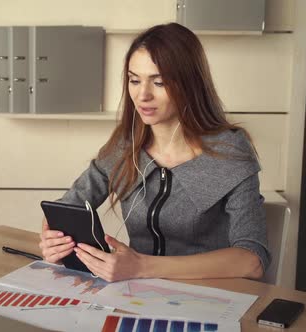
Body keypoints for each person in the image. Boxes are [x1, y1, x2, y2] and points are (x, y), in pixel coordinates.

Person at [38, 23, 270, 283]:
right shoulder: (124, 146)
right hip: (135, 294)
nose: (142, 95)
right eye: (134, 80)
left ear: (190, 84)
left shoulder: (229, 151)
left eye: (158, 82)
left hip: (210, 296)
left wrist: (142, 267)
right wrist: (55, 240)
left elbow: (252, 260)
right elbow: (66, 208)